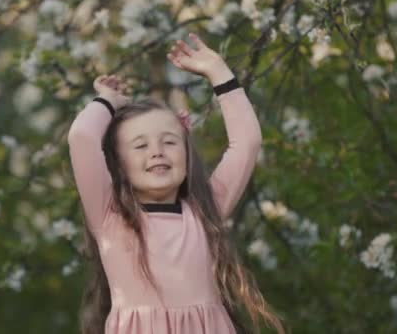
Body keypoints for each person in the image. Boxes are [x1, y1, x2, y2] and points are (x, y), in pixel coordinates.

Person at [68, 33, 285, 334]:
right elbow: (82, 137)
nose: (157, 150)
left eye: (169, 141)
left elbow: (247, 142)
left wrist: (219, 73)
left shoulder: (205, 211)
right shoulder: (109, 217)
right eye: (140, 146)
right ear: (117, 163)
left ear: (186, 153)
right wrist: (107, 101)